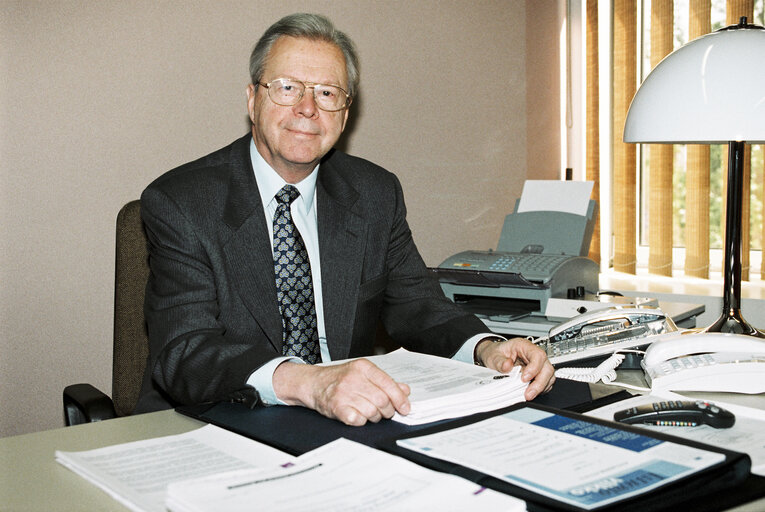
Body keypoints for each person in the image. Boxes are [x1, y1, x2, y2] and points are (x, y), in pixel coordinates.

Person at [135, 12, 555, 425]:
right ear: (252, 98)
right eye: (287, 88)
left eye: (327, 94)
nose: (307, 108)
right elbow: (184, 351)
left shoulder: (374, 194)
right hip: (211, 421)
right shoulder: (181, 202)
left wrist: (488, 348)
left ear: (345, 112)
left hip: (344, 423)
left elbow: (419, 305)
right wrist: (309, 382)